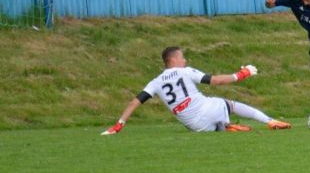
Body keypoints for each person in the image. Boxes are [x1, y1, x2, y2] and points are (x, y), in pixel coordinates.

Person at [101, 46, 291, 135]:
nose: (184, 61)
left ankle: (225, 126)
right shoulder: (184, 71)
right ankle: (269, 121)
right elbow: (215, 81)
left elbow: (135, 101)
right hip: (205, 110)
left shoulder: (155, 82)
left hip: (194, 126)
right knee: (229, 104)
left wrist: (119, 124)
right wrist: (242, 74)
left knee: (214, 118)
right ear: (174, 60)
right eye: (182, 58)